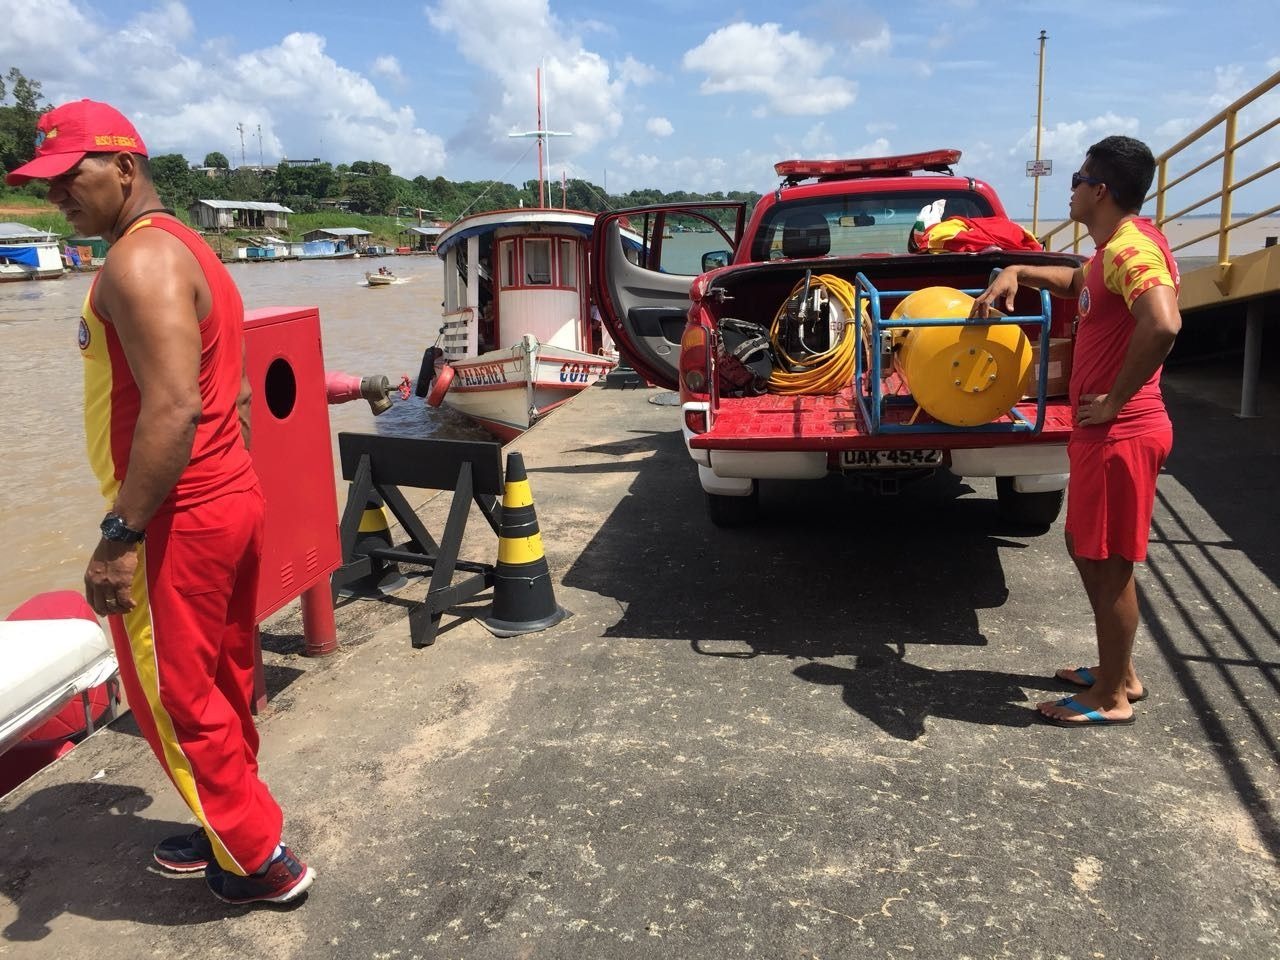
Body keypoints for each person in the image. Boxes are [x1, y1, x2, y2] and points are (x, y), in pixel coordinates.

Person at [5, 100, 315, 901]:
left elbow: (176, 408)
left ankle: (258, 861)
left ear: (124, 168)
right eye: (46, 185)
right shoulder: (193, 253)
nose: (57, 198)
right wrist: (224, 485)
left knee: (175, 697)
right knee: (219, 675)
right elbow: (236, 397)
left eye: (70, 177)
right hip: (221, 498)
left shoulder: (136, 265)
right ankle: (231, 825)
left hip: (176, 517)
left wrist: (121, 534)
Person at [971, 135, 1182, 728]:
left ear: (1100, 191)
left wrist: (1114, 399)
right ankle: (1119, 671)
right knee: (1086, 548)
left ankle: (1110, 698)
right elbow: (1078, 285)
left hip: (1120, 432)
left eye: (1077, 178)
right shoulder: (1113, 249)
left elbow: (1163, 323)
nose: (1070, 188)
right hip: (1109, 432)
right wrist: (1017, 269)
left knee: (1108, 560)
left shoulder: (1131, 249)